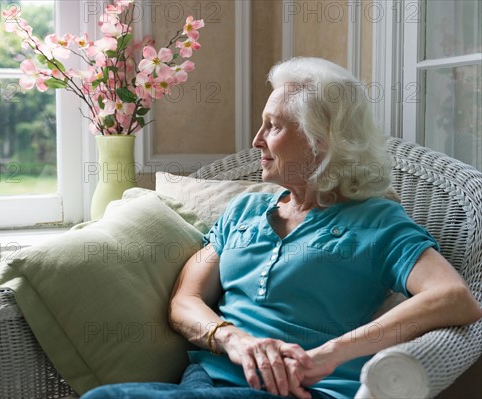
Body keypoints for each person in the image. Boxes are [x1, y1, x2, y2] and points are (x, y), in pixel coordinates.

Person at [81, 57, 481, 399]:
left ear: (320, 141)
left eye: (272, 126)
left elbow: (454, 297)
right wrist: (232, 339)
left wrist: (327, 355)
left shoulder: (376, 221)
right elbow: (184, 301)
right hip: (208, 382)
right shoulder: (245, 210)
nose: (256, 141)